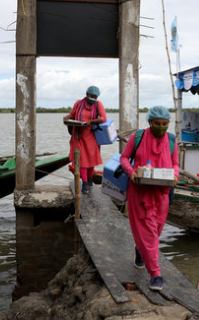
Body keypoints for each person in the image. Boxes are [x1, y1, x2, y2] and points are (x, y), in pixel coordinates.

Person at [119, 106, 179, 292]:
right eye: (157, 124)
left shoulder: (171, 140)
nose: (161, 127)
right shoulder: (138, 137)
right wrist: (131, 172)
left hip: (162, 194)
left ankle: (140, 251)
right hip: (140, 192)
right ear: (150, 122)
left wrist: (175, 176)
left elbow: (175, 163)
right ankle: (155, 274)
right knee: (149, 234)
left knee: (157, 230)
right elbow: (124, 158)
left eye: (165, 124)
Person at [63, 86, 107, 194]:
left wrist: (91, 121)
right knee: (81, 161)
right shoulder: (79, 103)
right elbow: (72, 114)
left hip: (91, 136)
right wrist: (66, 118)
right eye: (91, 96)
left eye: (95, 97)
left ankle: (90, 180)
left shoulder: (98, 104)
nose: (93, 98)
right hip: (78, 136)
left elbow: (103, 118)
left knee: (90, 161)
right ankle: (85, 184)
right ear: (87, 94)